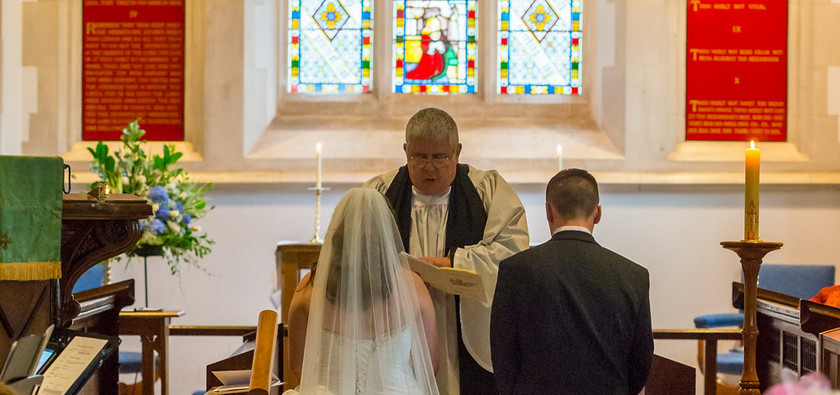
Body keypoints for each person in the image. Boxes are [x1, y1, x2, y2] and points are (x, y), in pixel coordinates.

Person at [364, 107, 529, 394]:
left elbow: (511, 252)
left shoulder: (486, 189)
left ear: (457, 152)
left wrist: (452, 262)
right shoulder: (379, 192)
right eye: (419, 157)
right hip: (399, 318)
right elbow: (358, 250)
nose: (429, 167)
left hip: (465, 322)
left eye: (440, 157)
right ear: (405, 151)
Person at [490, 168, 654, 394]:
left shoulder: (515, 270)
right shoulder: (634, 275)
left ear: (548, 212)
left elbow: (504, 356)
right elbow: (641, 362)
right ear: (598, 213)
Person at [285, 188, 439, 394]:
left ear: (339, 232)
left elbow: (298, 366)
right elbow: (430, 366)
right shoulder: (412, 285)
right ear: (385, 233)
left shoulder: (310, 286)